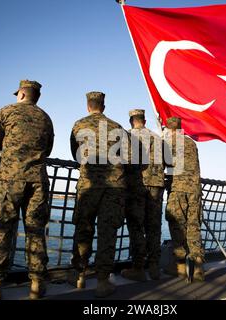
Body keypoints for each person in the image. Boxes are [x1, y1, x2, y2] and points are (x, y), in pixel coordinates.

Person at [0, 80, 54, 300]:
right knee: (35, 230)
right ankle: (37, 284)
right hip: (38, 180)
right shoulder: (46, 118)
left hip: (10, 178)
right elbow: (47, 150)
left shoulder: (6, 112)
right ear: (36, 97)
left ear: (20, 94)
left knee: (0, 229)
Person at [69, 91, 128, 298]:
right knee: (107, 233)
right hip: (115, 187)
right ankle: (103, 282)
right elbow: (127, 156)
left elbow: (74, 153)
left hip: (89, 184)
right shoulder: (118, 127)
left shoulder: (79, 124)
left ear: (88, 106)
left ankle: (79, 275)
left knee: (83, 228)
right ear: (103, 106)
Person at [121, 109, 165, 282]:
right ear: (144, 120)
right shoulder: (158, 138)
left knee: (136, 225)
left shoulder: (128, 136)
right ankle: (154, 267)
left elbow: (124, 161)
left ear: (132, 120)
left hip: (136, 185)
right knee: (154, 227)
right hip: (156, 185)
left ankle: (138, 267)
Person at [163, 117, 205, 282]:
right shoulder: (191, 143)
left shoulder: (167, 143)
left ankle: (180, 267)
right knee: (194, 225)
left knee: (177, 226)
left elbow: (161, 165)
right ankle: (199, 267)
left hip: (178, 189)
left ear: (168, 129)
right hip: (195, 189)